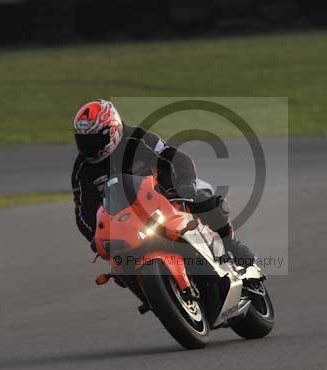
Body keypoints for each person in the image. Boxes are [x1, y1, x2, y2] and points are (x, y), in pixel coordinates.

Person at [70, 99, 255, 267]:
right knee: (119, 268)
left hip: (166, 200)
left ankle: (230, 243)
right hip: (126, 223)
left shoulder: (137, 138)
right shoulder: (82, 171)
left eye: (95, 140)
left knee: (204, 199)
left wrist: (185, 185)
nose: (89, 146)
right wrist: (95, 236)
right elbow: (84, 210)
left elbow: (176, 158)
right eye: (84, 140)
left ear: (114, 129)